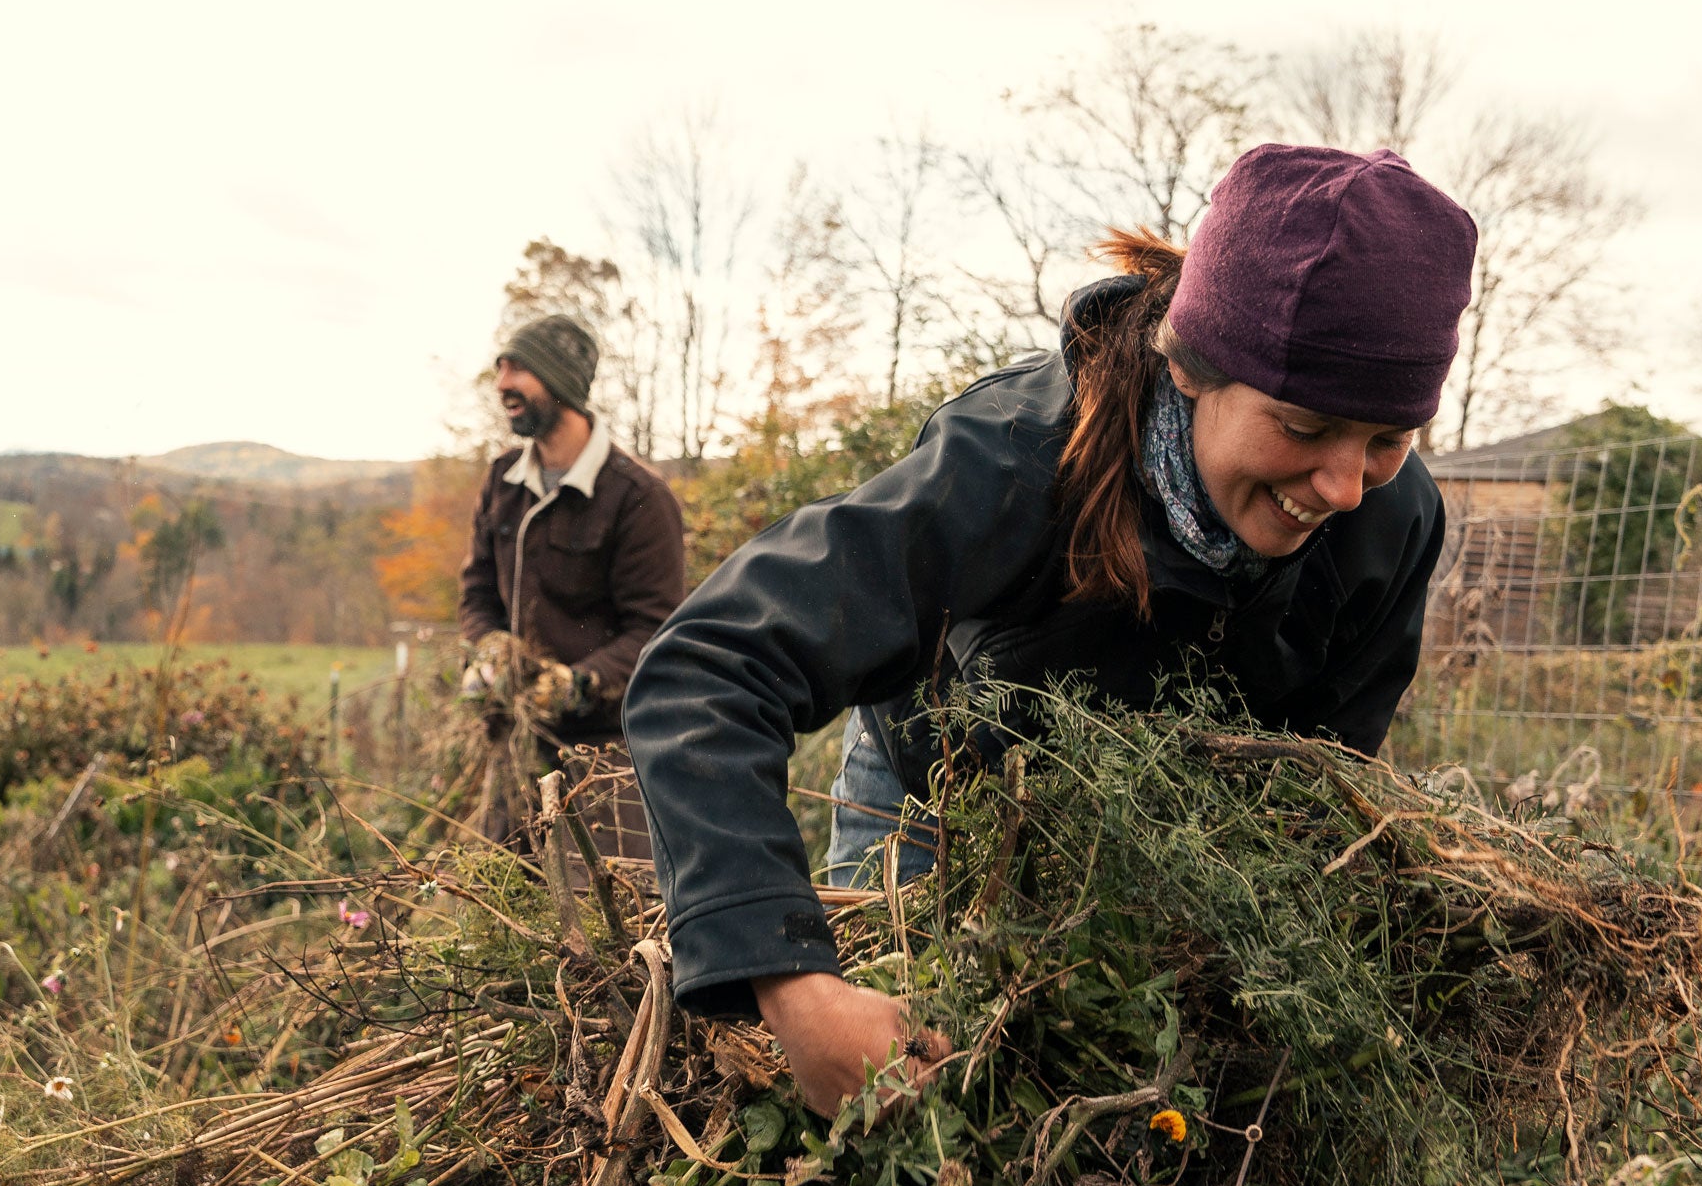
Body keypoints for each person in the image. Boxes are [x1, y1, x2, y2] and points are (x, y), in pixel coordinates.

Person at [622, 144, 1475, 1113]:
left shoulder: (1388, 521)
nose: (1344, 484)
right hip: (937, 807)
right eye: (1307, 425)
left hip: (1157, 847)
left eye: (1387, 439)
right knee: (914, 1126)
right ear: (1194, 369)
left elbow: (1316, 792)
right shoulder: (1013, 462)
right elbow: (710, 666)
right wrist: (797, 987)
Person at [458, 312, 687, 854]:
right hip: (516, 741)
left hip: (604, 756)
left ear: (559, 382)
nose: (502, 385)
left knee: (599, 915)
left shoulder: (637, 496)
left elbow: (654, 629)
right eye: (500, 370)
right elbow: (477, 589)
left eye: (518, 371)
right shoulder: (503, 479)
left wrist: (575, 683)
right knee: (504, 899)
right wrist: (488, 646)